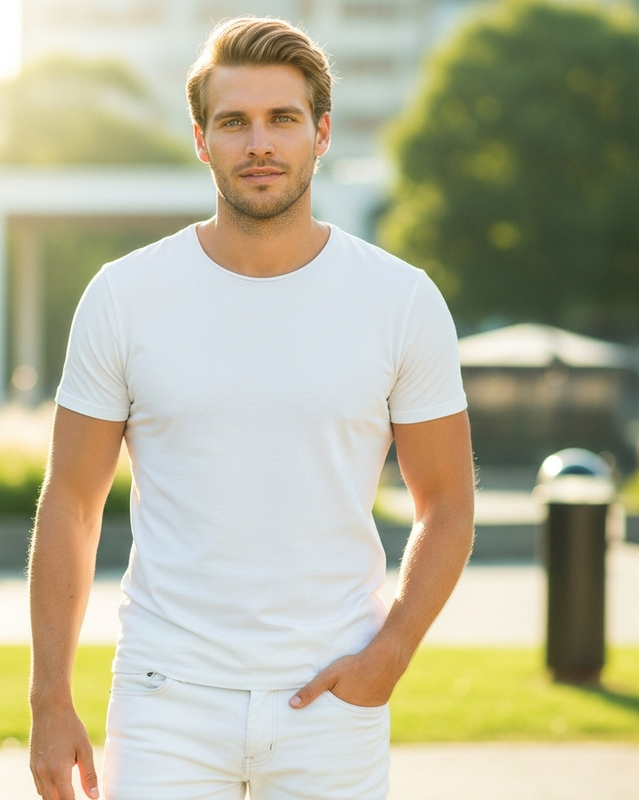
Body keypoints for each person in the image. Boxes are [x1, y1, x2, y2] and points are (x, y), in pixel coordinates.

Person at [29, 15, 475, 800]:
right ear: (202, 139)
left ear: (321, 133)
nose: (258, 143)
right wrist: (49, 698)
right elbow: (71, 503)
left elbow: (448, 503)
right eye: (233, 122)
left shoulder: (400, 300)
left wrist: (391, 654)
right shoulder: (125, 296)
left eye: (282, 120)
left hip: (334, 701)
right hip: (166, 697)